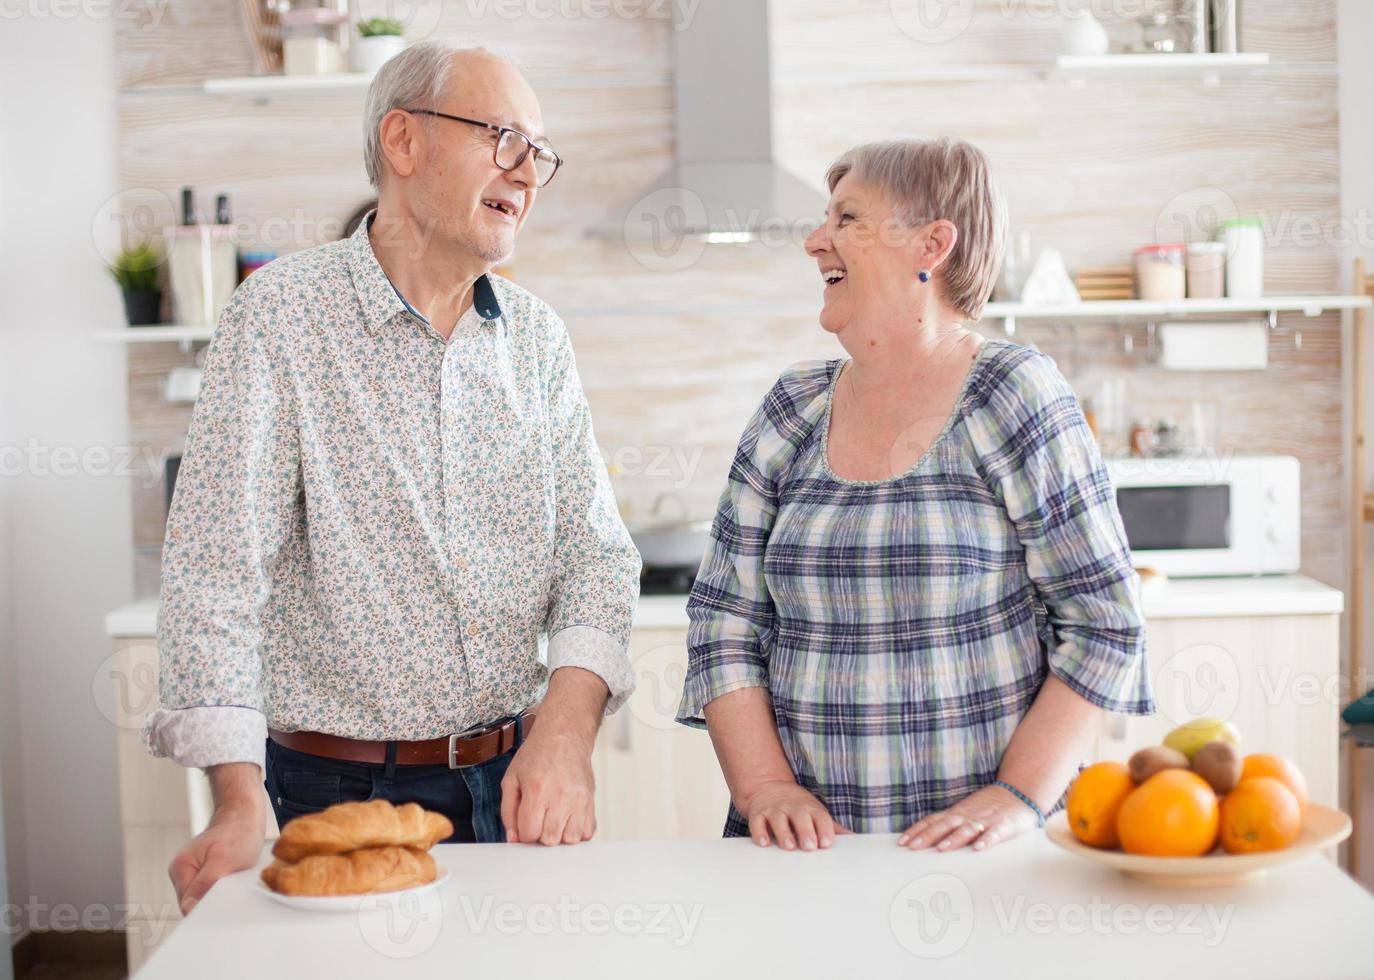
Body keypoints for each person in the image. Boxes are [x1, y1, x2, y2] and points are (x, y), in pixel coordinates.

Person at [148, 40, 640, 913]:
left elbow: (595, 558)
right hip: (331, 797)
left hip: (515, 786)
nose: (527, 173)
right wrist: (236, 796)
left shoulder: (536, 338)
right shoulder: (281, 315)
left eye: (541, 154)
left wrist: (565, 738)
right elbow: (215, 575)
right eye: (504, 138)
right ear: (403, 143)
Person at [677, 138, 1153, 854]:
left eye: (847, 218)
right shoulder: (792, 407)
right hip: (800, 856)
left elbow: (1104, 623)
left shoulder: (1013, 394)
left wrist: (1017, 794)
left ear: (931, 243)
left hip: (979, 859)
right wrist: (765, 789)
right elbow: (725, 624)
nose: (815, 241)